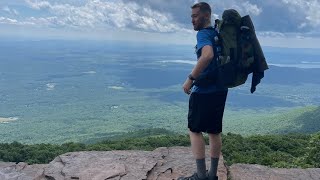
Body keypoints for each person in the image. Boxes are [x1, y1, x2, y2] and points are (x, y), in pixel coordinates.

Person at [179, 2, 228, 180]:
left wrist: (190, 79)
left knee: (194, 130)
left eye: (195, 16)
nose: (192, 20)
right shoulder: (217, 33)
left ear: (206, 16)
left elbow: (207, 55)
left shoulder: (204, 34)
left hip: (204, 90)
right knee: (214, 131)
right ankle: (212, 175)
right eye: (191, 16)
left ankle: (200, 177)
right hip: (221, 88)